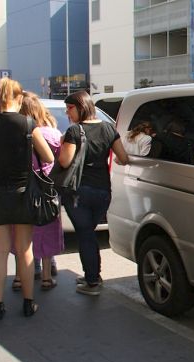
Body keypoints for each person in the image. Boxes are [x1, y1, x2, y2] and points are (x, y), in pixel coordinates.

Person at [0, 78, 54, 319]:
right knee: (25, 249)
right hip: (22, 192)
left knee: (0, 250)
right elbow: (47, 157)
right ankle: (28, 303)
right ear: (19, 99)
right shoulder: (28, 123)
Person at [59, 90, 128, 296]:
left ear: (81, 107)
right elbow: (123, 158)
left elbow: (64, 161)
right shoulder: (108, 128)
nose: (67, 113)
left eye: (69, 108)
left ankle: (92, 282)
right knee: (89, 234)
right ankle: (93, 275)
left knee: (85, 235)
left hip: (79, 192)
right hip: (103, 192)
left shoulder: (74, 132)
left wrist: (63, 142)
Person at [18, 92, 63, 291]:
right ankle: (46, 276)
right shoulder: (52, 134)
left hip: (21, 188)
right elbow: (61, 161)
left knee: (19, 233)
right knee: (46, 230)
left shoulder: (17, 134)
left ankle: (19, 277)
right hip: (45, 189)